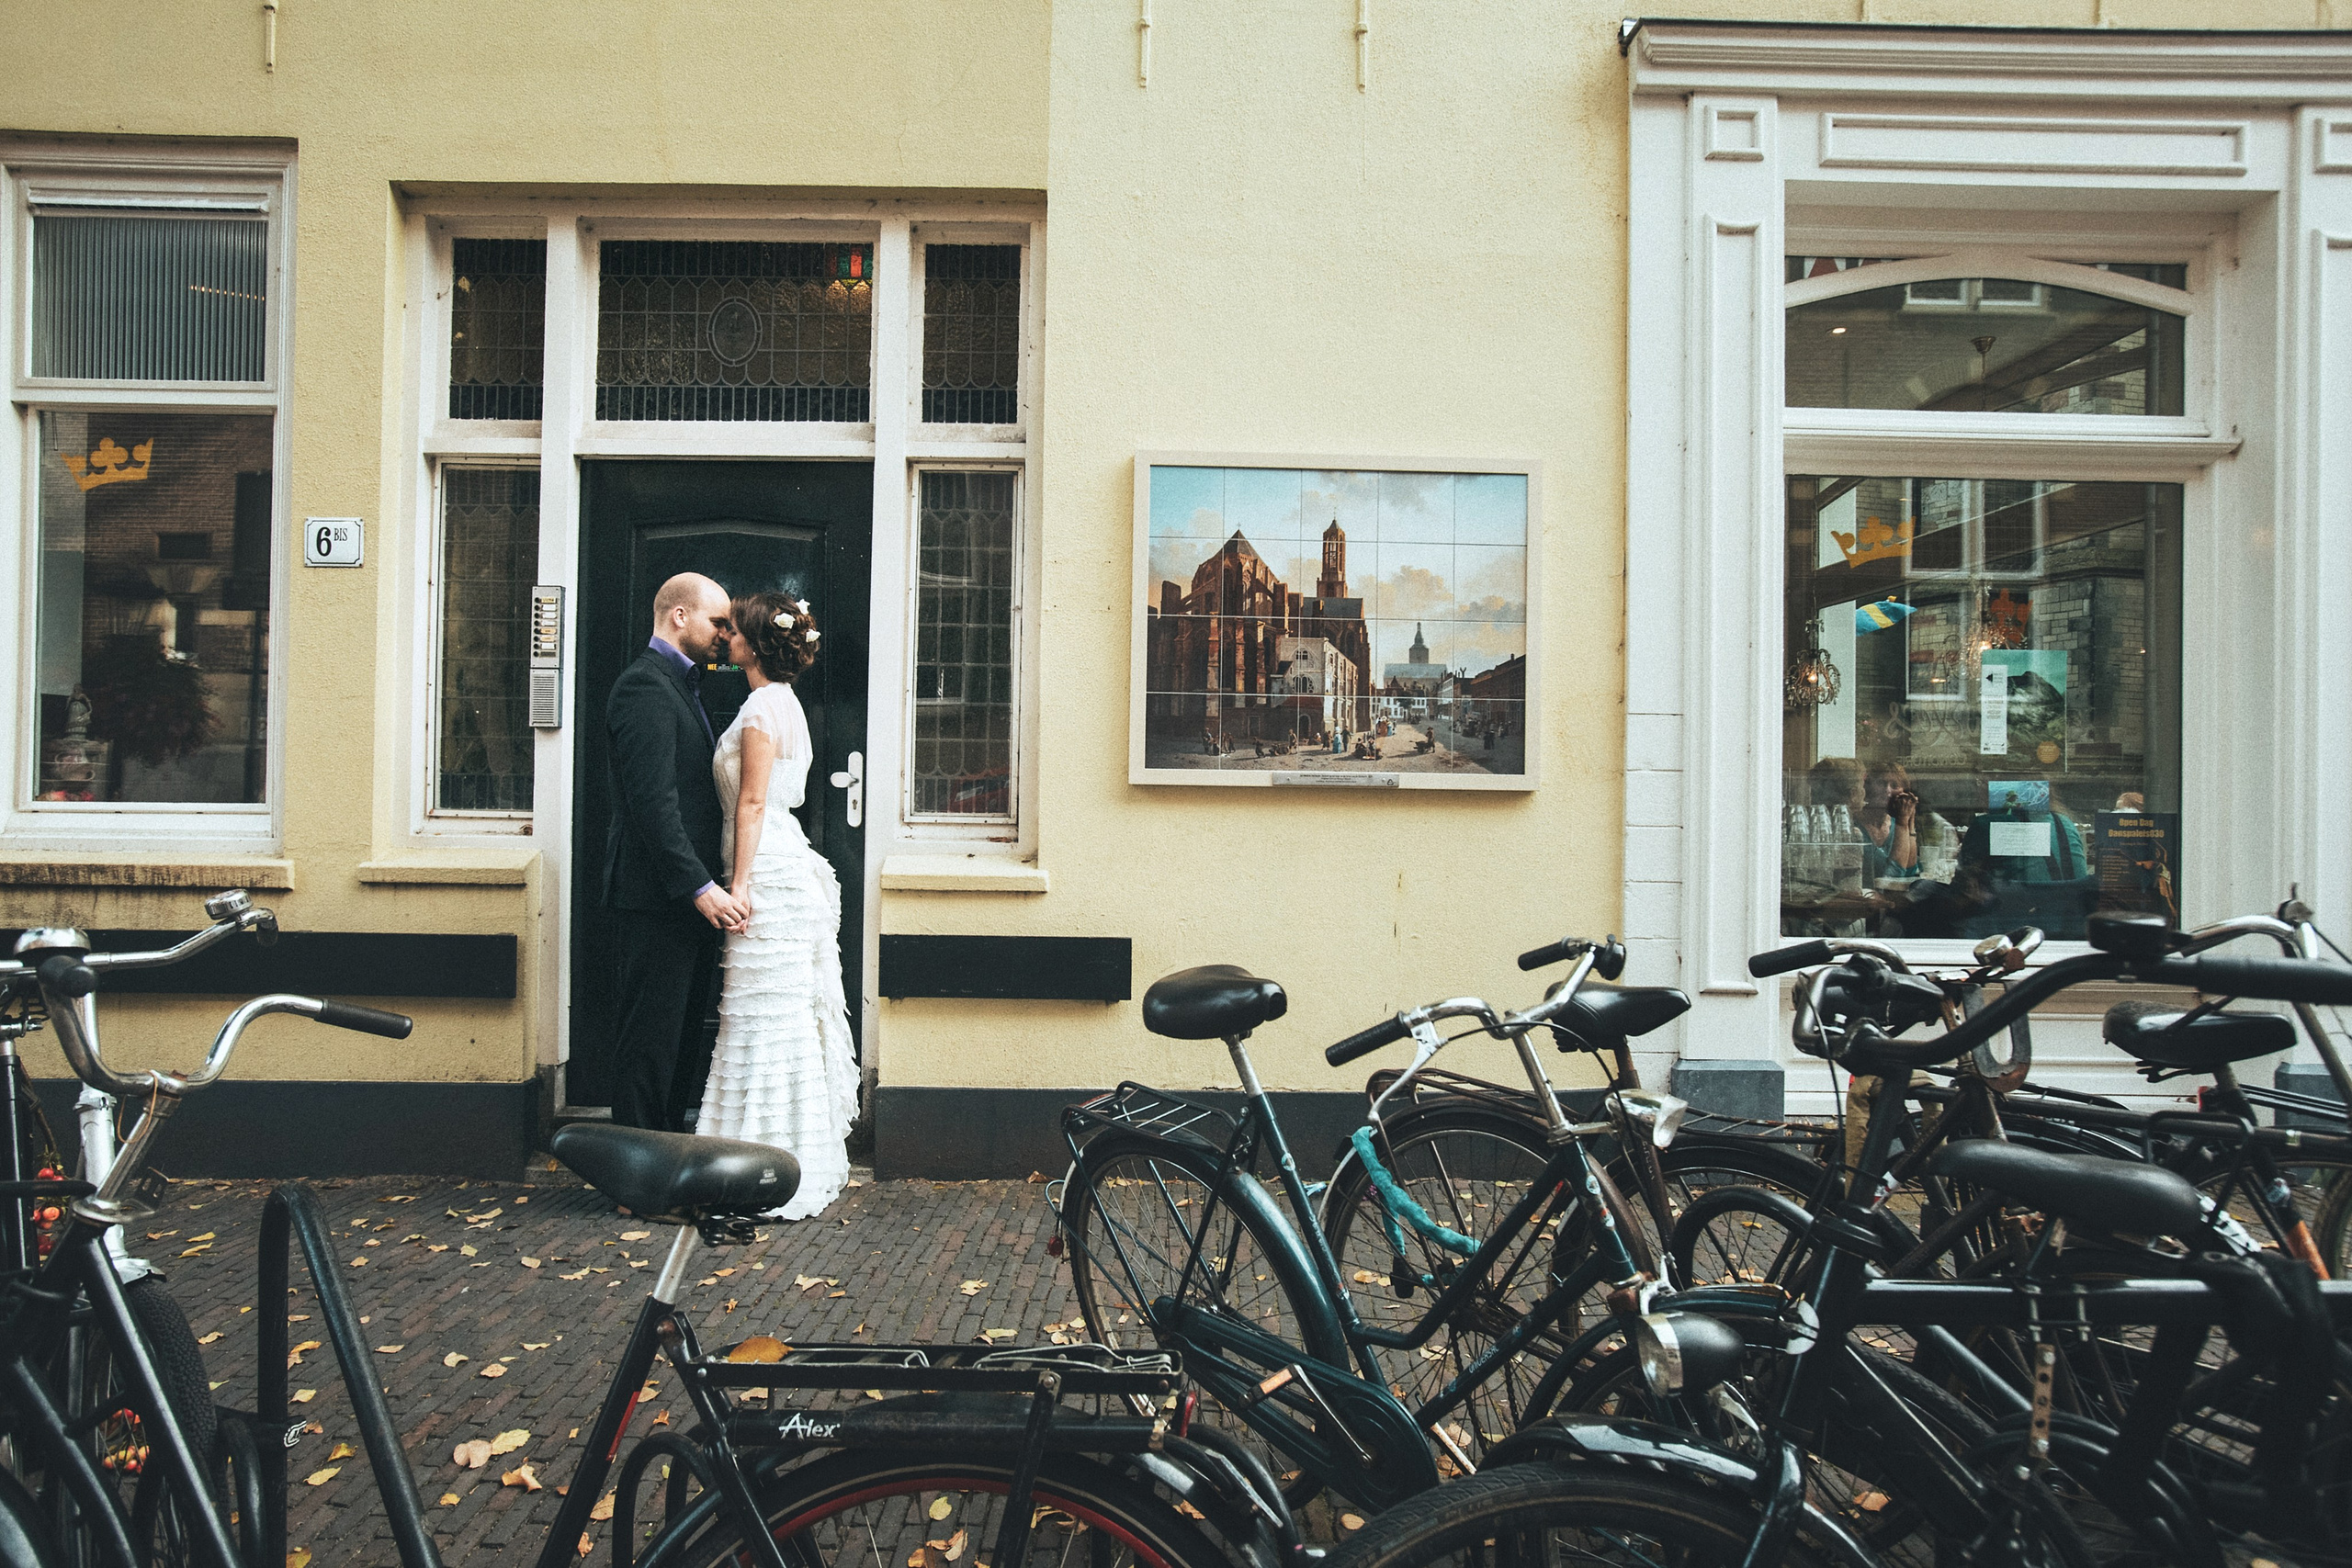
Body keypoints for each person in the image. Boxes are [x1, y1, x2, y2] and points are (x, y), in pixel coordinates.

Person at [697, 591, 859, 1220]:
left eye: (733, 629)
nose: (726, 636)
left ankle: (757, 1168)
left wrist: (738, 884)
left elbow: (754, 803)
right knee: (774, 1019)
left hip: (766, 870)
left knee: (760, 1020)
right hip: (785, 867)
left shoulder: (762, 706)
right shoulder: (786, 704)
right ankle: (784, 1160)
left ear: (754, 644)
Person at [603, 573, 747, 1132]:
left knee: (679, 1038)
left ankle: (662, 1158)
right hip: (655, 898)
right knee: (649, 1041)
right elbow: (652, 804)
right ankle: (635, 1176)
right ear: (679, 617)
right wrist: (698, 885)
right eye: (717, 623)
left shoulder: (683, 684)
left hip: (682, 900)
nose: (724, 637)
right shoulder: (644, 687)